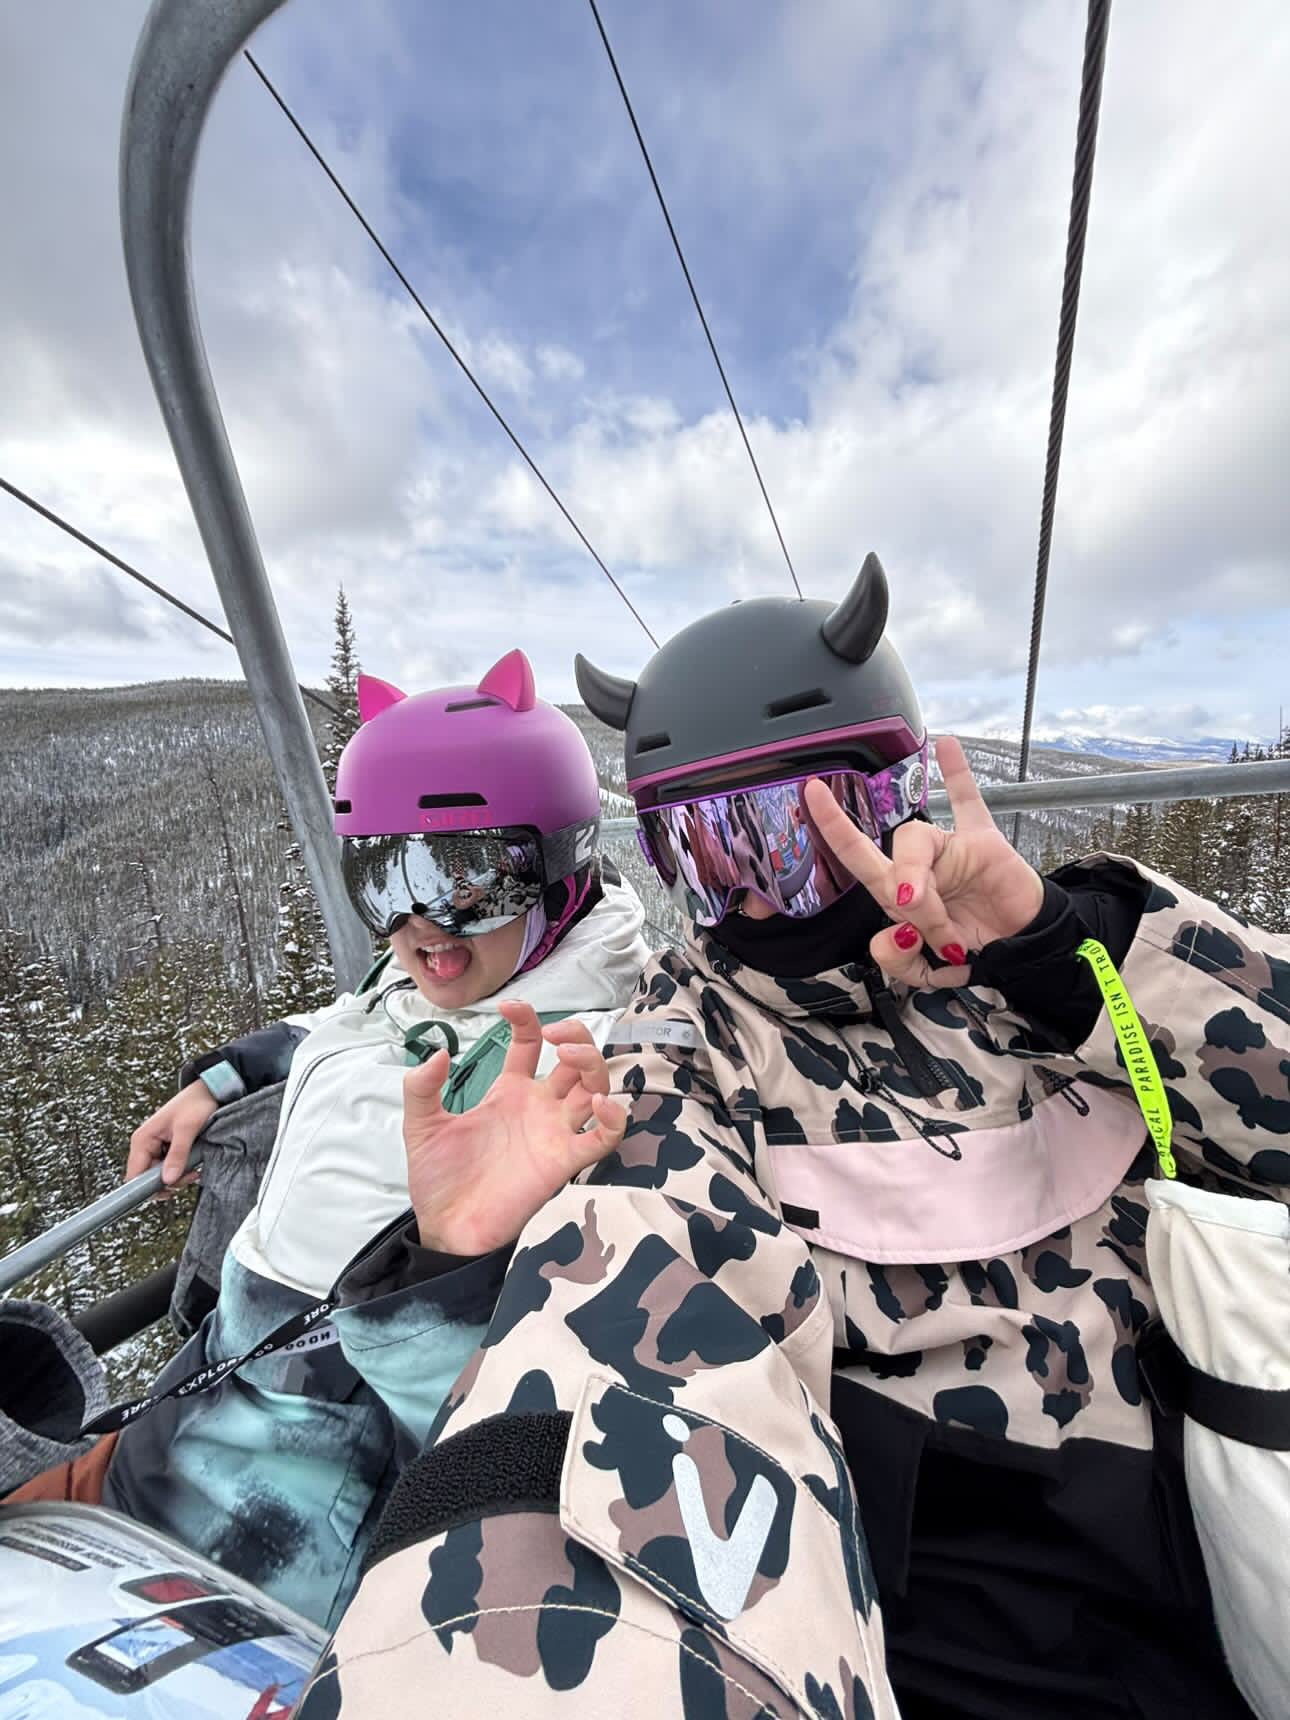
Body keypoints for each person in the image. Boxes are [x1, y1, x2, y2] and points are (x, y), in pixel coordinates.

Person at [300, 558, 1288, 1719]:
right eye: (708, 857)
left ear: (894, 800)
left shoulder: (1042, 973)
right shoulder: (685, 1045)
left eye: (791, 839)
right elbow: (627, 1294)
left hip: (1202, 1524)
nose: (759, 901)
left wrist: (1071, 952)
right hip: (927, 1605)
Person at [1, 648, 649, 1631]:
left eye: (468, 878)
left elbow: (521, 1408)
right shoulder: (447, 979)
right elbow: (351, 1017)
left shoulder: (575, 1077)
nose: (421, 925)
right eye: (381, 878)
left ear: (564, 867)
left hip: (266, 1541)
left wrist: (449, 1261)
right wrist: (222, 1079)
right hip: (174, 1424)